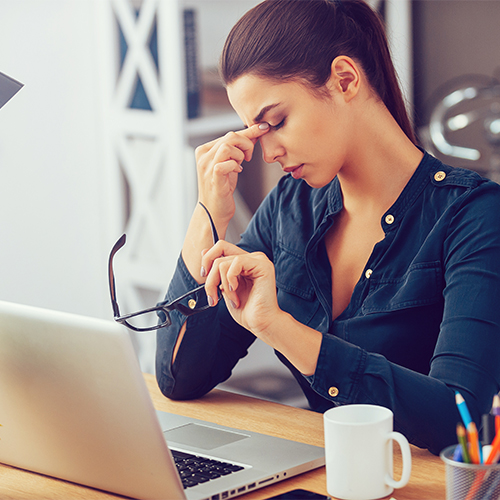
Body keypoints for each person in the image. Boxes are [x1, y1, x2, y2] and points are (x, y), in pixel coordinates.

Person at [155, 0, 500, 455]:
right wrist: (208, 215)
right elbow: (179, 379)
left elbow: (462, 420)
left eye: (275, 122)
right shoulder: (288, 208)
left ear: (345, 79)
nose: (268, 151)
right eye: (255, 131)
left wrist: (279, 328)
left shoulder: (474, 216)